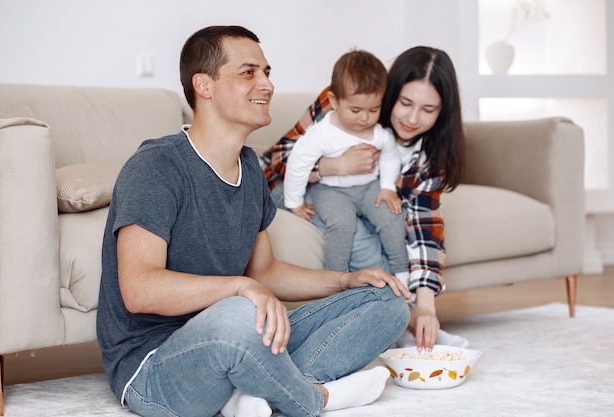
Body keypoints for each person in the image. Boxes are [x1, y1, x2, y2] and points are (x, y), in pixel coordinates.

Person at [96, 25, 411, 417]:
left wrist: (346, 280)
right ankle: (313, 398)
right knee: (239, 312)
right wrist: (241, 289)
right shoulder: (156, 167)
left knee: (389, 301)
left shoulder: (248, 167)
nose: (267, 84)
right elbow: (139, 289)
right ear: (204, 85)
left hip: (241, 338)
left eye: (267, 72)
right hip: (155, 366)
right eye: (249, 72)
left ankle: (251, 393)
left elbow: (264, 273)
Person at [261, 45, 468, 350]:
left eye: (428, 110)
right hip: (304, 191)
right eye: (406, 103)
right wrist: (331, 167)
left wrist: (428, 306)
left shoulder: (430, 153)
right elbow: (273, 162)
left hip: (364, 201)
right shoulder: (347, 98)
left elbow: (423, 223)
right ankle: (403, 322)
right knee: (355, 233)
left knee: (390, 224)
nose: (412, 119)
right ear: (390, 93)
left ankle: (404, 321)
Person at [284, 50, 409, 284]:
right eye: (355, 110)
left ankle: (403, 273)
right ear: (334, 101)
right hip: (331, 190)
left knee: (391, 216)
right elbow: (298, 163)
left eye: (373, 110)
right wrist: (295, 202)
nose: (365, 118)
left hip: (369, 186)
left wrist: (387, 187)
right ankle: (336, 279)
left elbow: (390, 157)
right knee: (342, 225)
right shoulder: (322, 134)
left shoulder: (380, 133)